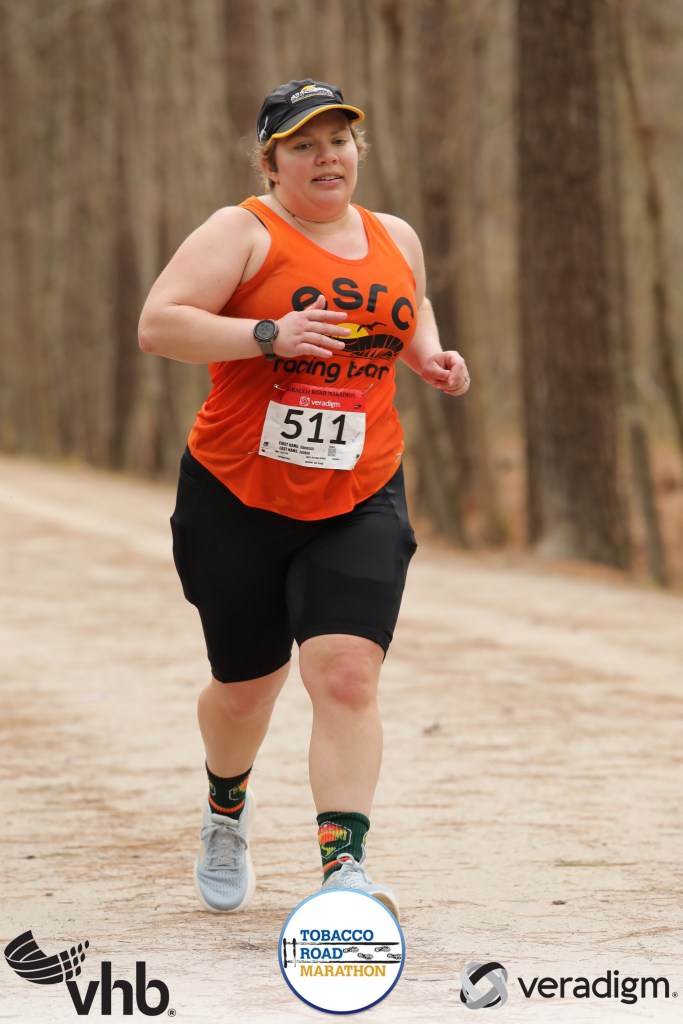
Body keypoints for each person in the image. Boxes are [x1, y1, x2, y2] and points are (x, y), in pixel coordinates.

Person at [138, 79, 470, 920]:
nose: (327, 157)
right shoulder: (242, 232)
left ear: (359, 151)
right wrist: (264, 335)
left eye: (339, 141)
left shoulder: (394, 235)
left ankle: (343, 870)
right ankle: (224, 807)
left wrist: (426, 354)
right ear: (271, 161)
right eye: (303, 145)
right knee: (247, 688)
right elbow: (160, 322)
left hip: (360, 490)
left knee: (347, 676)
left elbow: (409, 305)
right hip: (236, 494)